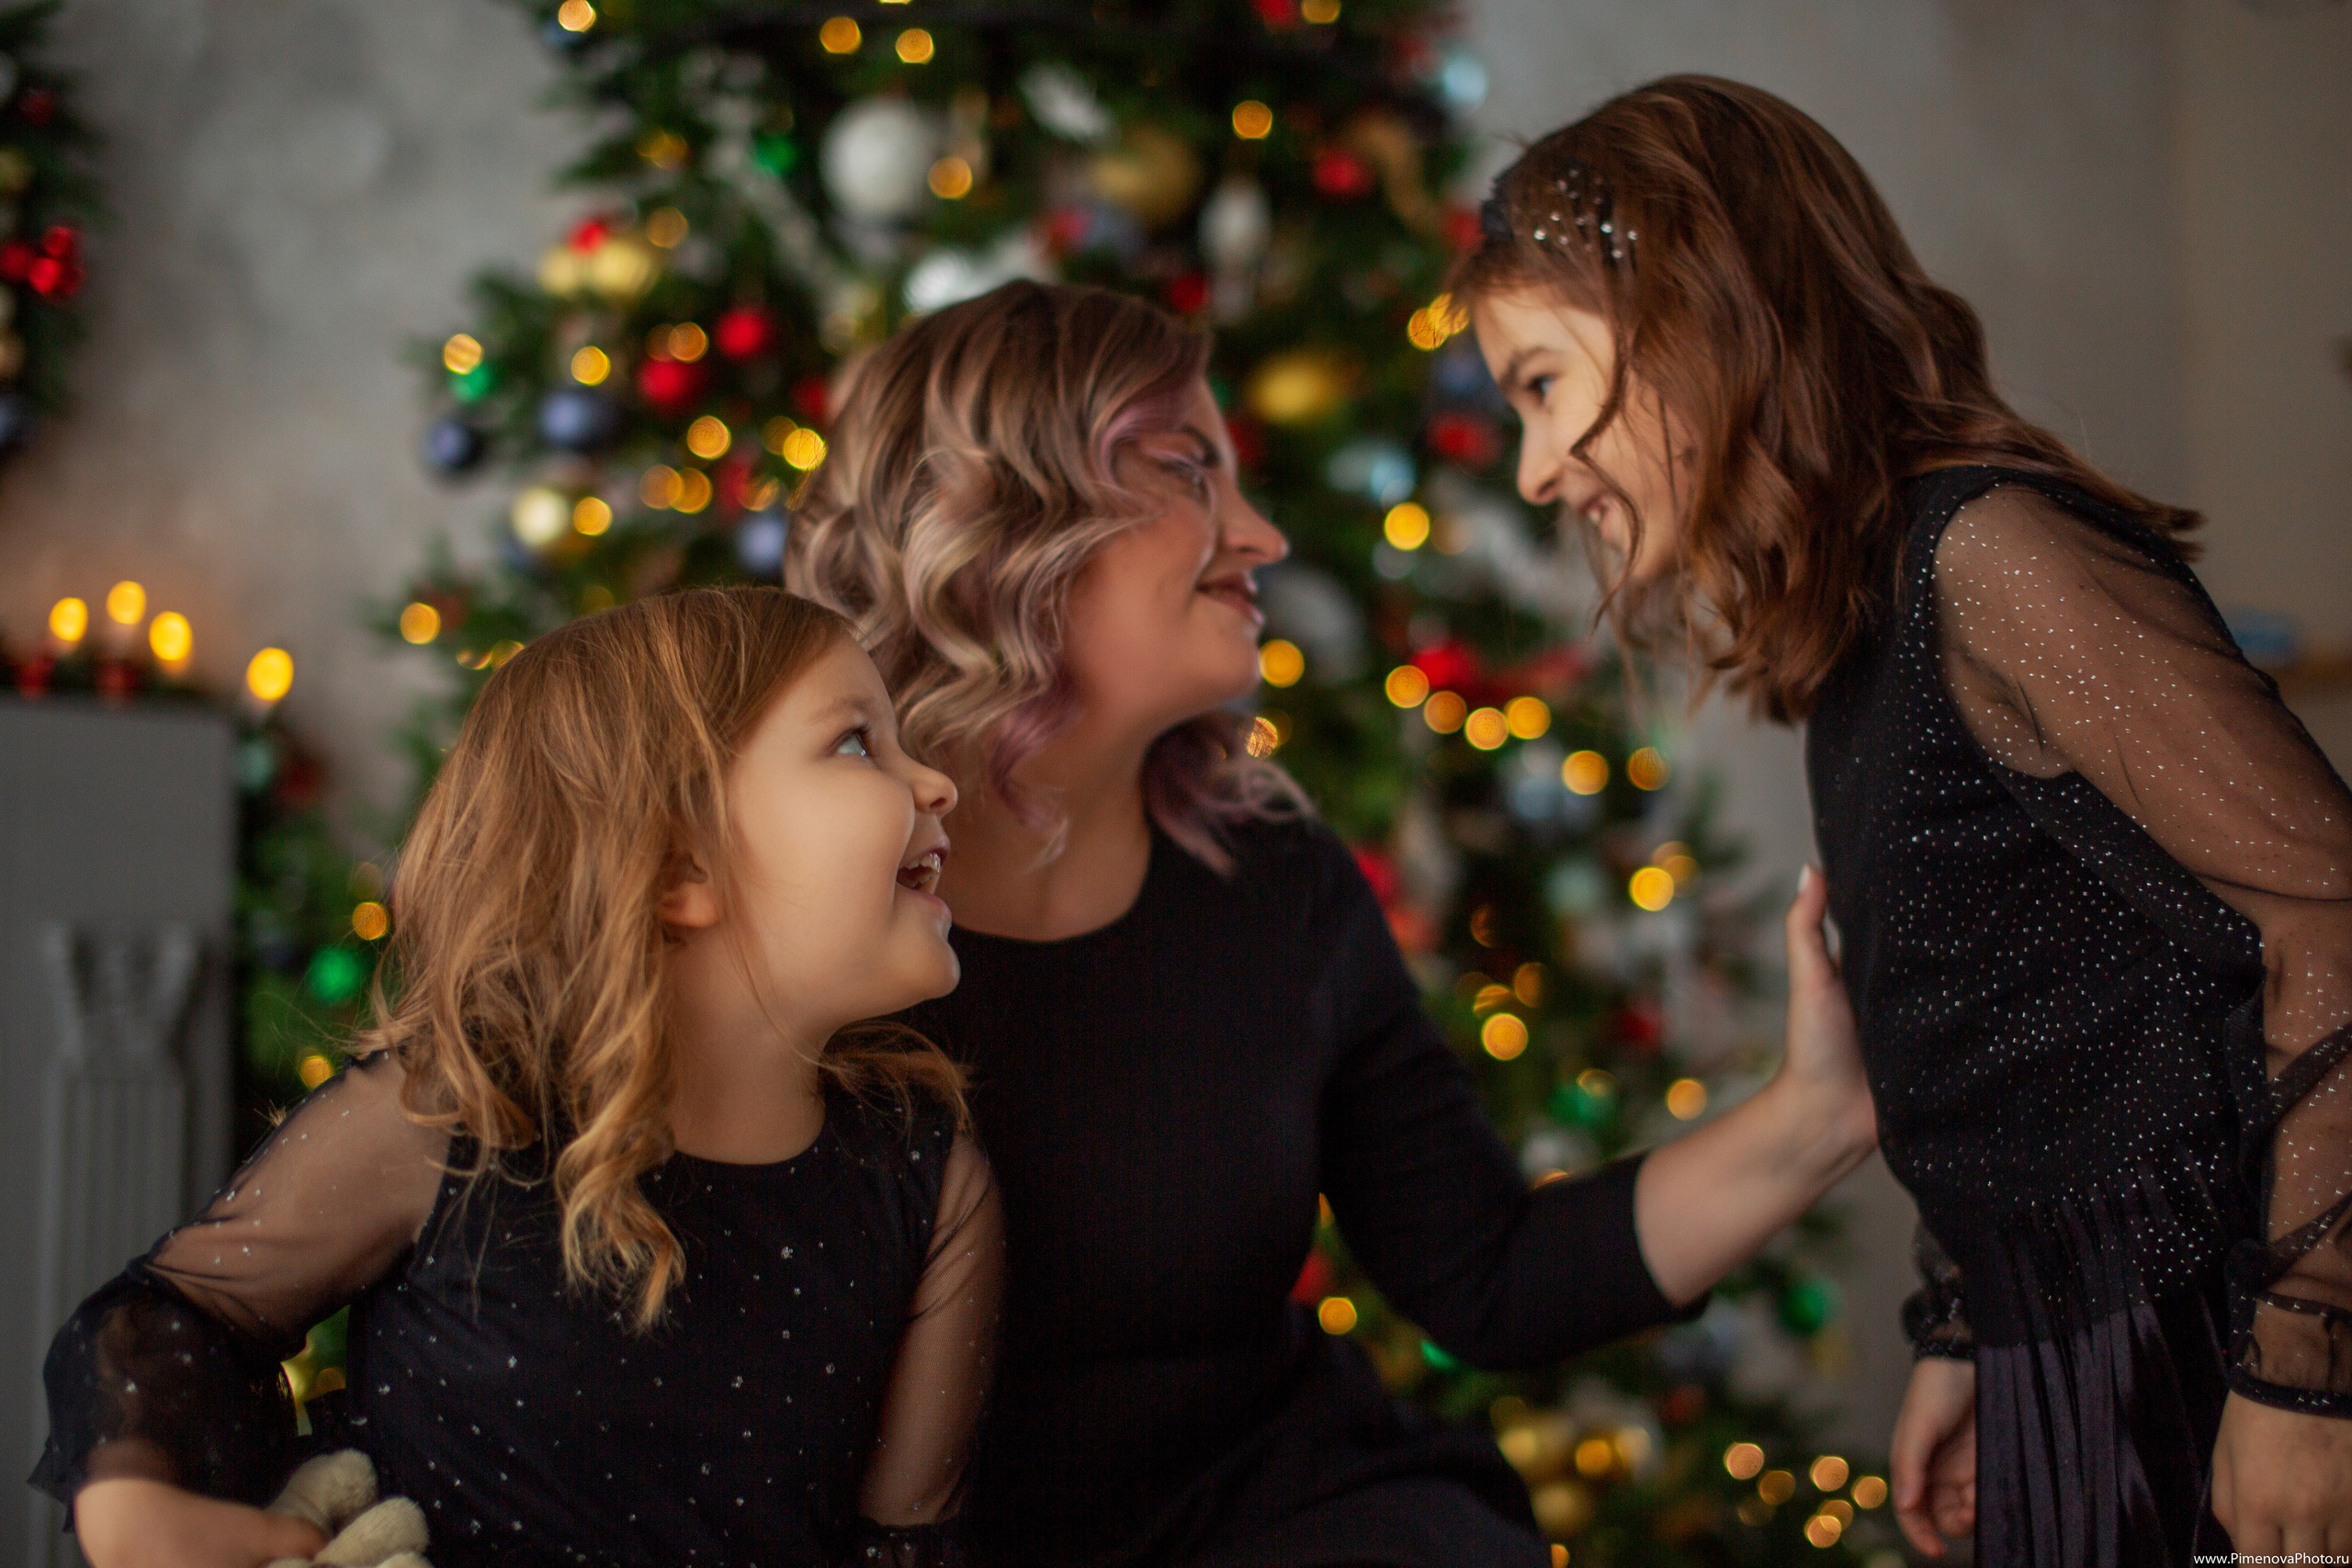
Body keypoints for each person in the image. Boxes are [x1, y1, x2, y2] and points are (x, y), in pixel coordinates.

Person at [786, 280, 1878, 1568]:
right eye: (1192, 468)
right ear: (1012, 511)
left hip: (1296, 1516)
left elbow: (1493, 1272)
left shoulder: (1275, 879)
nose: (1260, 535)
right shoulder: (798, 889)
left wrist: (1823, 1111)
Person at [1453, 73, 2352, 1563]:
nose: (1539, 466)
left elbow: (2326, 911)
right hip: (2067, 1362)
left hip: (2201, 1353)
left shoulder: (1988, 555)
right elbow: (2036, 1030)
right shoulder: (1860, 611)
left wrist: (2309, 1366)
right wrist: (1967, 1320)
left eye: (1543, 384)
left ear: (1692, 315)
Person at [33, 589, 1005, 1568]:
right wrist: (137, 1508)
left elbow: (902, 1549)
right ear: (679, 862)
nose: (935, 783)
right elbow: (177, 1310)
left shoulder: (926, 1187)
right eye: (854, 742)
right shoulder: (453, 1117)